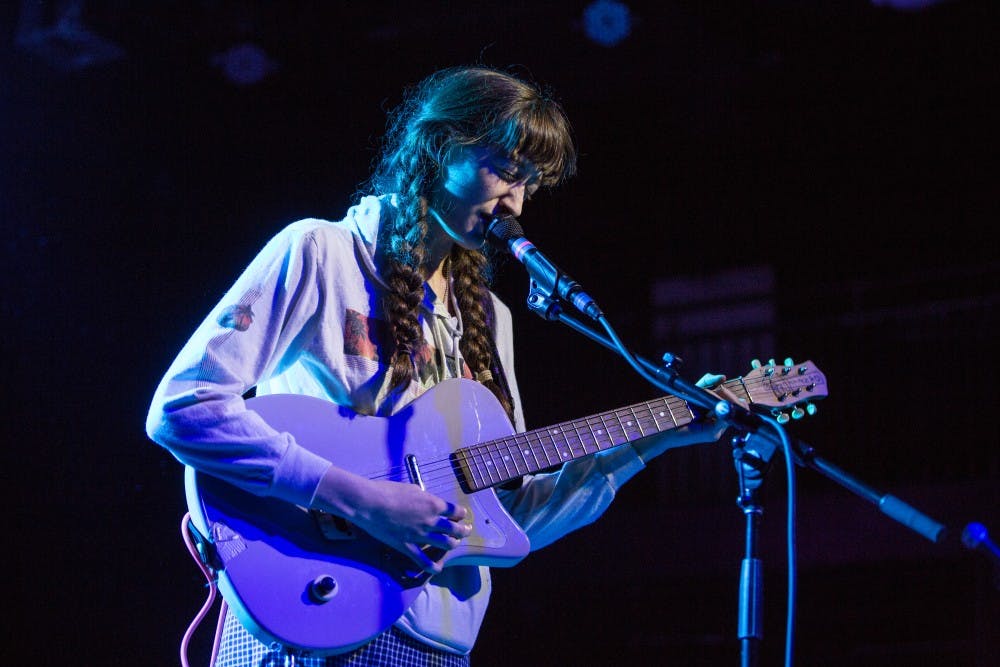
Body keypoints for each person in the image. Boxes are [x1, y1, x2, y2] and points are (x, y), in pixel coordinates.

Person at [146, 65, 725, 667]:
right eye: (506, 170)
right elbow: (183, 409)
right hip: (310, 622)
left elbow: (507, 517)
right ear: (440, 145)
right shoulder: (320, 252)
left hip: (439, 646)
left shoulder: (491, 318)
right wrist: (362, 501)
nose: (517, 202)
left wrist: (652, 442)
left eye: (530, 184)